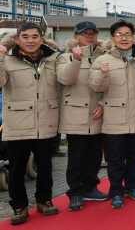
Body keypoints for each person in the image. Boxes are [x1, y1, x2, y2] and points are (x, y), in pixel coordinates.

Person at [89, 20, 135, 209]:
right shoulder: (103, 60)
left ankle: (132, 186)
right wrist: (102, 73)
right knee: (116, 158)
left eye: (127, 34)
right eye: (119, 35)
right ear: (112, 38)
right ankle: (117, 191)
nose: (124, 38)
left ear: (133, 37)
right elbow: (96, 87)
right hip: (114, 116)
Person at [0, 23, 61, 225]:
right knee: (17, 167)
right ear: (17, 40)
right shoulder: (7, 59)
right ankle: (20, 206)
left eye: (35, 36)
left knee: (45, 165)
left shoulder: (53, 58)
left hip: (45, 122)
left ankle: (44, 200)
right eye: (25, 36)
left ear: (41, 39)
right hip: (18, 123)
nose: (30, 40)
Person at [57, 21, 110, 211]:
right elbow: (65, 80)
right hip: (74, 115)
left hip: (96, 116)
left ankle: (90, 188)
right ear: (76, 36)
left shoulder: (105, 57)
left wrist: (103, 105)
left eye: (93, 33)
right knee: (76, 158)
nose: (89, 36)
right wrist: (76, 60)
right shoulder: (64, 57)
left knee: (95, 157)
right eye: (84, 33)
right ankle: (75, 193)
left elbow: (110, 87)